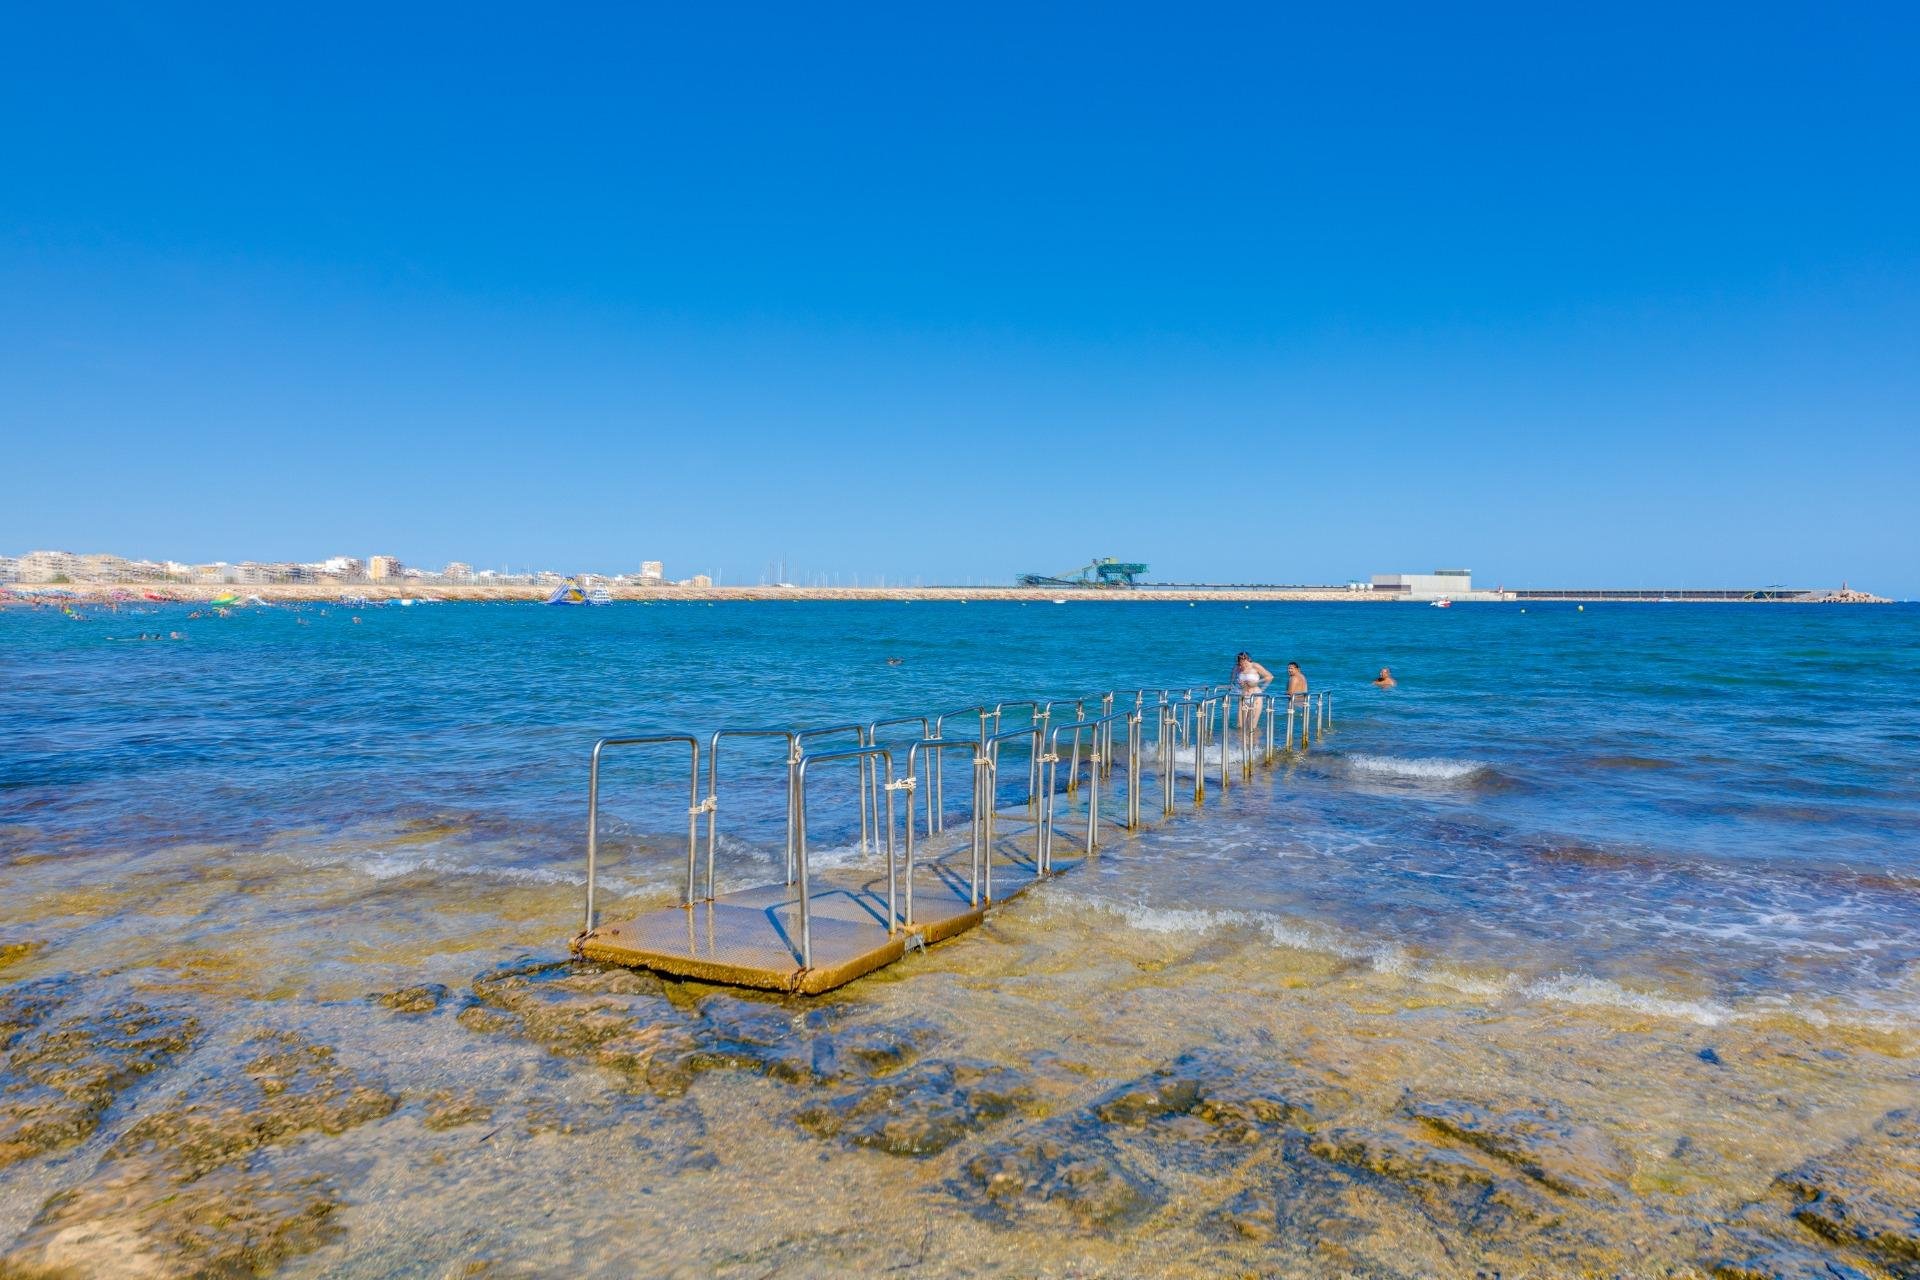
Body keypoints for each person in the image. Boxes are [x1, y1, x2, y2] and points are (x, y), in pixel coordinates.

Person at [1232, 652, 1274, 734]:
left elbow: (1270, 677)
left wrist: (1257, 683)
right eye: (1241, 662)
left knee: (1252, 725)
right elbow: (1232, 682)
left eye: (1245, 662)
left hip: (1255, 697)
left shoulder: (1255, 666)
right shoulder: (1237, 668)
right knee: (1240, 725)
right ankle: (1240, 741)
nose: (1243, 665)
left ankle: (1254, 741)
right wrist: (1239, 686)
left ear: (1248, 659)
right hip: (1243, 697)